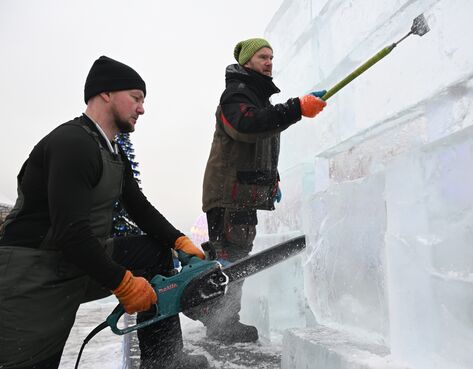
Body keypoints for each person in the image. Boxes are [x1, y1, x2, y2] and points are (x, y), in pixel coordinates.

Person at [0, 56, 209, 369]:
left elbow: (138, 206)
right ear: (105, 94)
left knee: (153, 254)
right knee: (31, 360)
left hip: (75, 258)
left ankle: (164, 360)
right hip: (34, 271)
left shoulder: (110, 149)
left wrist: (178, 240)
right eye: (136, 98)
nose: (142, 108)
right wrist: (122, 282)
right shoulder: (72, 143)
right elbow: (70, 232)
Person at [201, 38, 327, 343]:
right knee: (231, 257)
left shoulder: (257, 99)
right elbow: (246, 127)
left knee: (236, 255)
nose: (269, 62)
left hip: (241, 193)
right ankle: (221, 321)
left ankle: (218, 315)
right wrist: (296, 108)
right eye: (262, 57)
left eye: (271, 56)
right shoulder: (237, 95)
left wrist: (273, 179)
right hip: (229, 196)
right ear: (247, 63)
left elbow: (259, 148)